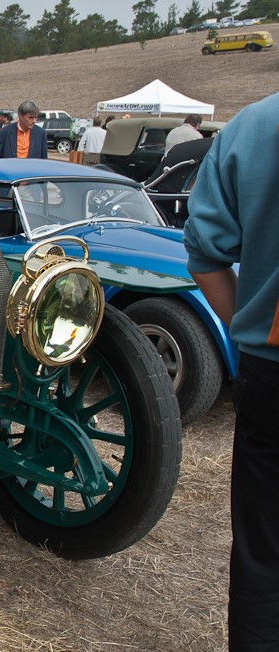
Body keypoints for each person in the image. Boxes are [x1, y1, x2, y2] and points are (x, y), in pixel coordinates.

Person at [182, 91, 279, 650]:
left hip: (273, 365)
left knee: (264, 549)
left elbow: (205, 251)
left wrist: (247, 323)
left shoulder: (256, 124)